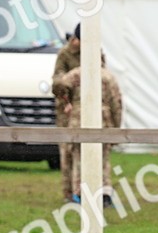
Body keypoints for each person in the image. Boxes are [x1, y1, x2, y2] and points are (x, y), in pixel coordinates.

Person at [52, 26, 122, 204]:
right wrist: (65, 102)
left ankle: (83, 193)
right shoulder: (67, 55)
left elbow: (59, 84)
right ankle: (92, 193)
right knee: (89, 157)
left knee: (82, 156)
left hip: (81, 117)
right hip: (88, 117)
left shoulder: (80, 71)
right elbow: (117, 103)